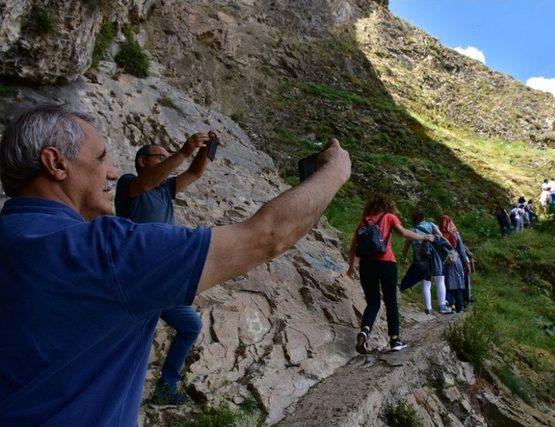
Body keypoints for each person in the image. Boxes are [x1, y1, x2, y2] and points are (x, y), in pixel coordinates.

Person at [0, 106, 351, 426]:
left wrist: (200, 152)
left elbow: (190, 176)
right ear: (56, 164)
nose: (110, 170)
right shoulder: (108, 249)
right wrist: (335, 172)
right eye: (101, 157)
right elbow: (268, 236)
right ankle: (168, 384)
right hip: (145, 278)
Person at [114, 136, 223, 404]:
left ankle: (166, 385)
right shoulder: (130, 183)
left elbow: (195, 172)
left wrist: (204, 152)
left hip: (162, 277)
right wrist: (184, 150)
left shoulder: (165, 189)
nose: (166, 159)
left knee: (190, 324)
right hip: (135, 277)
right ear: (143, 161)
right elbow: (148, 180)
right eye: (159, 156)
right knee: (133, 339)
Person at [347, 194, 433, 354]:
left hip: (366, 265)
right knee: (390, 302)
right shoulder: (389, 217)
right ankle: (394, 340)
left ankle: (365, 331)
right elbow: (405, 233)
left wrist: (351, 266)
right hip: (386, 263)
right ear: (387, 205)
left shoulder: (364, 221)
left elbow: (353, 247)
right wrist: (424, 237)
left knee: (373, 303)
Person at [399, 211, 452, 315]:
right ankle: (442, 306)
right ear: (423, 218)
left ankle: (428, 309)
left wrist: (404, 258)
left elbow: (406, 248)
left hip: (419, 258)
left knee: (425, 281)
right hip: (434, 255)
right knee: (439, 279)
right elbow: (440, 236)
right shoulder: (431, 225)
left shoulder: (411, 230)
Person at [439, 215, 470, 311]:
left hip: (443, 261)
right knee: (458, 285)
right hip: (455, 260)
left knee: (447, 284)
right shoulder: (454, 233)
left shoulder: (438, 232)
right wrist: (466, 262)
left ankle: (448, 305)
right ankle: (459, 307)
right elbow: (461, 249)